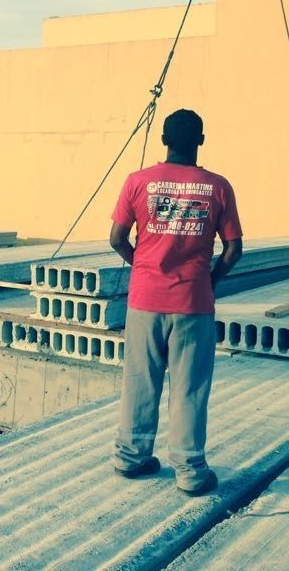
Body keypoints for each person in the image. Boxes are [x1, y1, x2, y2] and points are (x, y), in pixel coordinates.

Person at [109, 109, 242, 496]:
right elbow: (233, 249)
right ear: (200, 140)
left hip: (145, 301)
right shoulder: (218, 187)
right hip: (193, 303)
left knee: (139, 379)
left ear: (164, 139)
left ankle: (131, 457)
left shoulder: (138, 182)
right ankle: (190, 472)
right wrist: (209, 283)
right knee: (189, 387)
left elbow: (117, 238)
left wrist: (144, 268)